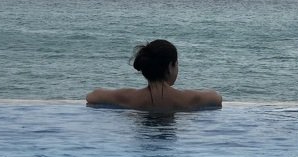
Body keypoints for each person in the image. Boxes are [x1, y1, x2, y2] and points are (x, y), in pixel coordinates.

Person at [86, 39, 222, 111]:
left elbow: (92, 96)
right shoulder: (188, 98)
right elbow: (217, 98)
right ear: (170, 66)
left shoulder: (128, 97)